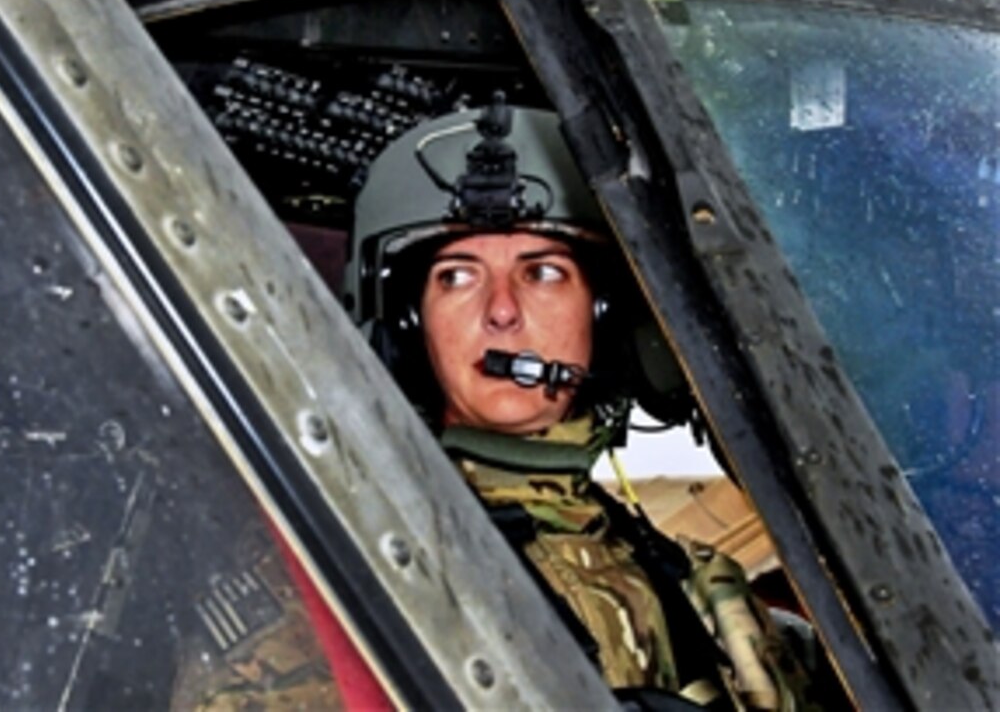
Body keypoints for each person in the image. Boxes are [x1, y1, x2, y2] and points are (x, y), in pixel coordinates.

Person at [345, 95, 815, 710]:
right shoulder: (353, 572)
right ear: (410, 327)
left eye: (542, 273)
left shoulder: (703, 589)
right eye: (457, 276)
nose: (502, 310)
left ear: (605, 315)